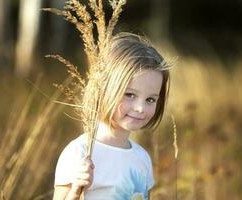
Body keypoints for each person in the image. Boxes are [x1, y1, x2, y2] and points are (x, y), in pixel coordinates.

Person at [53, 32, 170, 200]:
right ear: (105, 90)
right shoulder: (80, 153)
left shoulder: (142, 158)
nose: (140, 108)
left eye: (150, 99)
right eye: (129, 94)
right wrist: (75, 192)